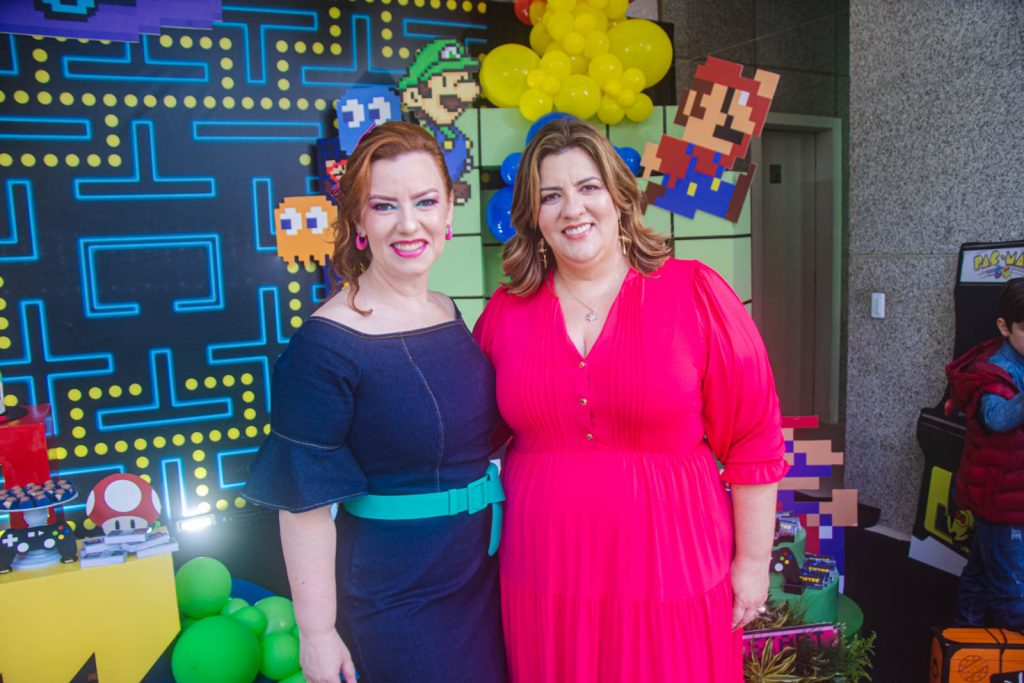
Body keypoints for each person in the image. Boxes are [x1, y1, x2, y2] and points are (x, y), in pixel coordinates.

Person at [473, 117, 788, 681]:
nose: (572, 209)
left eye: (588, 187)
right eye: (551, 195)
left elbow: (754, 441)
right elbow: (468, 433)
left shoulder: (694, 292)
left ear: (620, 197)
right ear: (533, 215)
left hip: (673, 564)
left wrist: (752, 562)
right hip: (545, 569)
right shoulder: (505, 312)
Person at [243, 120, 507, 683]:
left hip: (482, 572)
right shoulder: (324, 344)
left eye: (425, 201)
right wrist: (317, 632)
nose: (409, 223)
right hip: (395, 592)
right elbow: (303, 505)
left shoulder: (446, 309)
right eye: (384, 206)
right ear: (359, 222)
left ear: (448, 211)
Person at [948, 276, 1024, 629]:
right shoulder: (993, 371)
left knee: (979, 575)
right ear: (1005, 327)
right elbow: (997, 418)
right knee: (1012, 596)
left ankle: (961, 639)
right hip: (1003, 503)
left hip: (1007, 497)